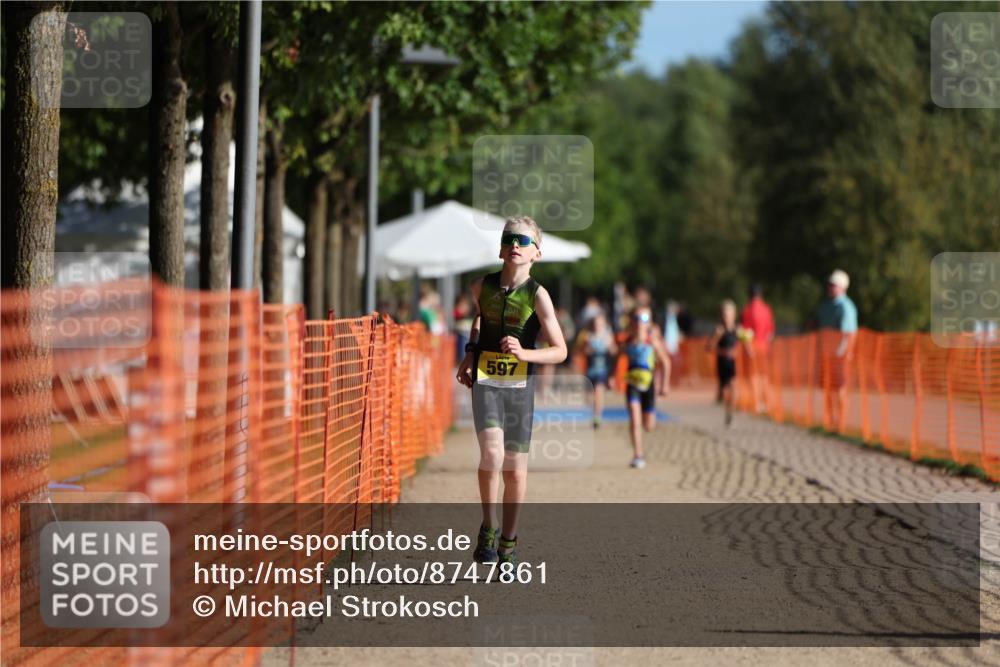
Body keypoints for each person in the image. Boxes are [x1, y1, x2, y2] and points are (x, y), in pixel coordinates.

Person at [455, 216, 567, 567]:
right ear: (502, 248)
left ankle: (509, 540)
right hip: (487, 383)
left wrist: (525, 353)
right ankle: (488, 528)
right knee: (491, 455)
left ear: (537, 253)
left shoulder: (539, 296)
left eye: (523, 240)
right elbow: (479, 318)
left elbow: (560, 349)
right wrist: (471, 352)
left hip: (521, 387)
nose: (515, 244)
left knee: (515, 469)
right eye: (509, 239)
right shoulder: (481, 286)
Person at [620, 307, 670, 469]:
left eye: (643, 319)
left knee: (648, 426)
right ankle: (638, 455)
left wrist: (664, 385)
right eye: (636, 319)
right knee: (635, 421)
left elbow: (666, 363)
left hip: (649, 386)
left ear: (648, 323)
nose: (639, 323)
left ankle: (642, 442)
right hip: (632, 384)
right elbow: (617, 356)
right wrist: (612, 376)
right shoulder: (628, 341)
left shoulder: (652, 342)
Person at [816, 269, 858, 432]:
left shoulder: (846, 307)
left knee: (839, 388)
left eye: (834, 285)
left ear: (842, 287)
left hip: (840, 356)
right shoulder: (826, 306)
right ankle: (831, 419)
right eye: (829, 285)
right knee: (828, 388)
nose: (830, 288)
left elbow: (848, 335)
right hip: (827, 355)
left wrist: (841, 355)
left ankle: (840, 421)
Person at [707, 299, 745, 427]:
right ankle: (720, 396)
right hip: (721, 364)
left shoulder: (737, 330)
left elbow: (745, 346)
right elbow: (709, 348)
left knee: (734, 386)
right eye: (724, 315)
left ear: (734, 315)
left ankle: (730, 414)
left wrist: (746, 341)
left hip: (733, 364)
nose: (726, 318)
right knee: (723, 393)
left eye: (728, 315)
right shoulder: (719, 330)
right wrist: (718, 340)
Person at [740, 283, 775, 413]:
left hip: (753, 348)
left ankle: (756, 404)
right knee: (765, 376)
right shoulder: (767, 309)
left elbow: (745, 331)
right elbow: (771, 332)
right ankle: (767, 403)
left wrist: (748, 347)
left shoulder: (748, 310)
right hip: (765, 347)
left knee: (754, 376)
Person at [580, 311, 617, 429]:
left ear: (604, 324)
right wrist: (588, 348)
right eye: (596, 324)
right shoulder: (589, 336)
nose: (598, 326)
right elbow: (583, 352)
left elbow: (614, 353)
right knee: (589, 396)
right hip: (591, 370)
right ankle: (594, 410)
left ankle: (597, 417)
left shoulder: (608, 336)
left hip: (603, 369)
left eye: (600, 324)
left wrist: (610, 347)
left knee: (599, 393)